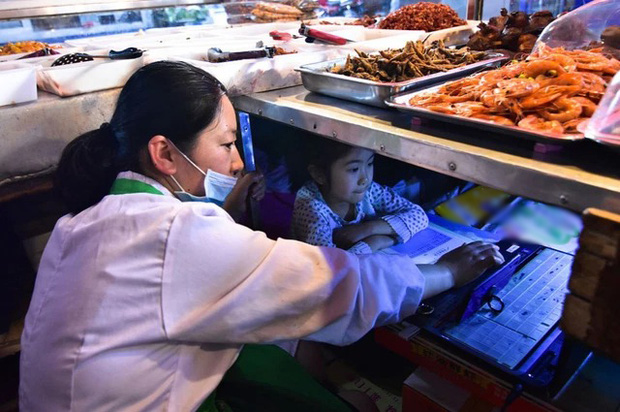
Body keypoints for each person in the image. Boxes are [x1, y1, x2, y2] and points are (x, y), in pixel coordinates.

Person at [19, 61, 504, 412]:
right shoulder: (174, 231)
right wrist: (445, 271)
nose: (237, 164)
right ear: (165, 154)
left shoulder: (84, 222)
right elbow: (339, 286)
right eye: (227, 144)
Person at [291, 139, 428, 254]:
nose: (365, 179)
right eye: (354, 169)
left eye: (369, 164)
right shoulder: (311, 209)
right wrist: (377, 241)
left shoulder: (367, 190)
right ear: (319, 175)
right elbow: (332, 268)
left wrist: (368, 229)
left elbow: (418, 215)